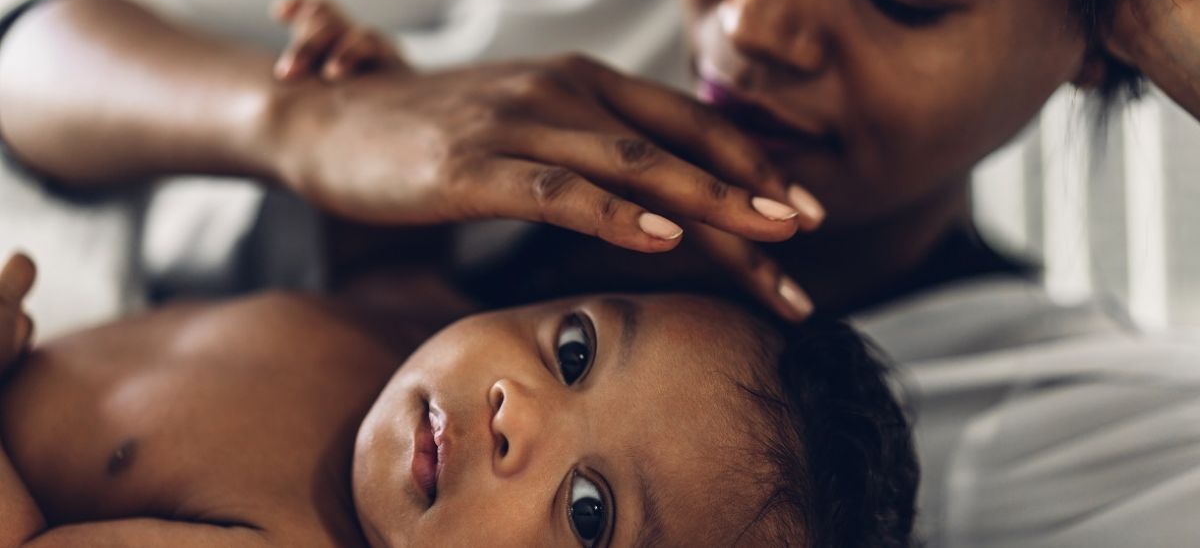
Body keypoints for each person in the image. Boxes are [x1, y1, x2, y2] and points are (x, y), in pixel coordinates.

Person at [1, 0, 1199, 544]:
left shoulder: (1065, 428)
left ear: (1104, 44)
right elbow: (31, 42)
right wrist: (305, 123)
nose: (752, 16)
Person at [0, 248, 919, 547]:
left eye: (589, 511)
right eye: (574, 349)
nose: (519, 411)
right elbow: (363, 255)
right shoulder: (424, 314)